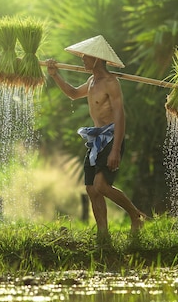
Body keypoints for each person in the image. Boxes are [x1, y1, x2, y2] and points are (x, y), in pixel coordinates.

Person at [46, 35, 147, 242]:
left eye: (86, 56)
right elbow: (73, 94)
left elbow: (120, 115)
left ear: (97, 59)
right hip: (95, 140)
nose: (82, 59)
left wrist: (116, 149)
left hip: (111, 138)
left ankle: (135, 215)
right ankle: (103, 235)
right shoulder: (92, 81)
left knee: (101, 185)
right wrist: (55, 75)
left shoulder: (111, 82)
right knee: (92, 189)